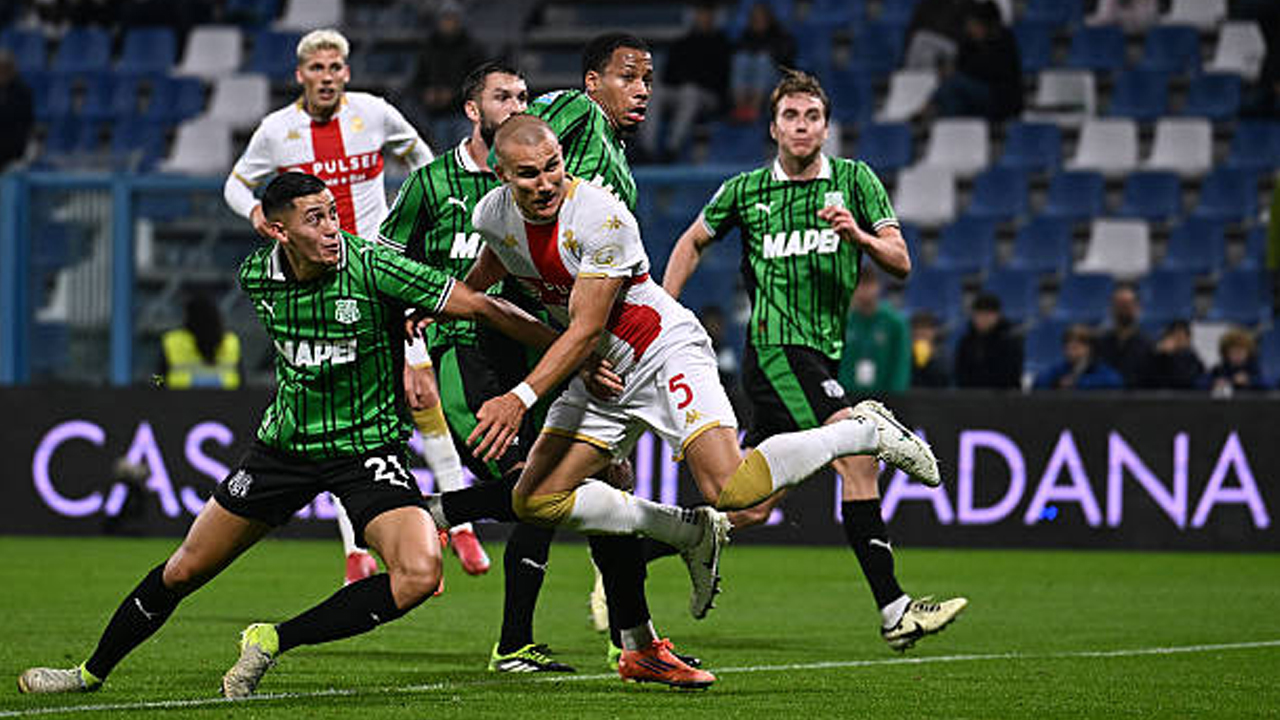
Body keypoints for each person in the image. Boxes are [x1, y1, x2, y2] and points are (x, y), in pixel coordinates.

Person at [16, 171, 566, 698]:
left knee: (420, 574)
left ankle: (273, 640)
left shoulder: (375, 267)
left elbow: (483, 306)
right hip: (283, 449)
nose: (332, 228)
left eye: (332, 214)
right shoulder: (257, 276)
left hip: (364, 449)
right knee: (184, 568)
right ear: (279, 231)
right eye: (315, 219)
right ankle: (88, 673)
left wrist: (569, 356)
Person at [662, 70, 965, 652]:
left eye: (812, 117)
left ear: (826, 126)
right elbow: (691, 241)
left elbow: (900, 260)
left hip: (822, 356)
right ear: (773, 126)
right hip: (777, 350)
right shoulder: (746, 191)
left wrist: (860, 238)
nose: (802, 127)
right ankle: (895, 610)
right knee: (857, 458)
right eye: (791, 117)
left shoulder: (854, 182)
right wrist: (665, 312)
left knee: (748, 506)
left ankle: (633, 553)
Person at [221, 29, 487, 585]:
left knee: (423, 394)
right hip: (320, 287)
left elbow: (422, 161)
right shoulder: (277, 130)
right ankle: (361, 547)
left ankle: (456, 521)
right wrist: (258, 218)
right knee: (344, 409)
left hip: (379, 275)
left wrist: (419, 216)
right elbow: (235, 185)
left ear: (346, 71)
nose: (327, 75)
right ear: (301, 75)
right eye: (316, 66)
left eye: (335, 66)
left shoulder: (375, 113)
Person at [378, 60, 574, 674]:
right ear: (473, 110)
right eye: (502, 96)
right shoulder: (431, 185)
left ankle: (513, 637)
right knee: (530, 484)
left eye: (522, 94)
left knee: (547, 491)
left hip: (529, 351)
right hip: (462, 355)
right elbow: (385, 270)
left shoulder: (537, 185)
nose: (516, 103)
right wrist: (411, 354)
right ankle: (440, 519)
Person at [637, 2, 732, 162]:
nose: (704, 18)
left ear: (714, 18)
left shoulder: (722, 44)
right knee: (655, 92)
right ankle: (648, 149)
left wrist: (693, 81)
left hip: (708, 96)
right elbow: (668, 75)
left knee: (690, 92)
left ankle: (672, 148)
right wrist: (683, 80)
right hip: (679, 91)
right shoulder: (682, 43)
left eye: (707, 15)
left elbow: (721, 80)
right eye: (701, 14)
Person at [408, 3, 487, 146]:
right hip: (437, 115)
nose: (448, 24)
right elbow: (418, 81)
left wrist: (453, 95)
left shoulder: (473, 48)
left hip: (464, 115)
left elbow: (480, 83)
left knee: (466, 157)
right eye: (445, 19)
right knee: (443, 158)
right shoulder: (429, 48)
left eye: (452, 19)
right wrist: (426, 94)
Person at [931, 0, 1022, 121]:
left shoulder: (1004, 39)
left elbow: (993, 72)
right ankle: (952, 131)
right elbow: (962, 65)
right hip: (973, 96)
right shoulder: (968, 42)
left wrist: (961, 72)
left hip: (1000, 97)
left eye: (973, 24)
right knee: (952, 98)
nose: (969, 28)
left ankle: (928, 106)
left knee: (954, 83)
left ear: (984, 24)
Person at [838, 267, 912, 395]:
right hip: (848, 398)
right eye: (858, 285)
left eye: (868, 284)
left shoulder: (895, 323)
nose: (863, 291)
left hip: (887, 400)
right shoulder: (843, 322)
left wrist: (895, 398)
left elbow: (900, 366)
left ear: (878, 286)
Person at [158, 293, 243, 389]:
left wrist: (160, 391)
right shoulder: (231, 341)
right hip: (226, 400)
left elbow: (158, 375)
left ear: (188, 316)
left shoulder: (172, 340)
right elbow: (241, 380)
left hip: (180, 401)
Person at [729, 2, 796, 123]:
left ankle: (754, 109)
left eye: (761, 17)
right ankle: (740, 107)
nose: (758, 20)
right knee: (741, 59)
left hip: (775, 81)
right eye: (755, 17)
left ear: (769, 18)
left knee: (762, 59)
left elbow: (786, 61)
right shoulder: (746, 36)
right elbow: (737, 55)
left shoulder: (780, 35)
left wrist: (766, 52)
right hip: (749, 81)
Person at [954, 292, 1023, 389]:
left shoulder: (1009, 340)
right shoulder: (966, 341)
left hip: (1003, 398)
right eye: (979, 314)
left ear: (997, 315)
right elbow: (960, 373)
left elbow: (1012, 375)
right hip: (971, 397)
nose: (983, 319)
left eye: (988, 314)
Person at [1033, 324, 1124, 390]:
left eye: (1076, 348)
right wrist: (1056, 383)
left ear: (1089, 348)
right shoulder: (1061, 368)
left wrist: (1078, 383)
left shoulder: (1099, 368)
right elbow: (1040, 381)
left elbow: (1115, 382)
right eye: (1067, 348)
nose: (1070, 352)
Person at [1096, 283, 1153, 389]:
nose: (1123, 309)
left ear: (1137, 308)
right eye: (1119, 305)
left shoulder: (1149, 345)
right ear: (1111, 308)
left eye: (1127, 305)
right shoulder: (1100, 343)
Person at [1142, 320, 1204, 390]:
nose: (1176, 342)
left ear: (1188, 340)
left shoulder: (1192, 359)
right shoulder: (1157, 356)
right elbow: (1146, 379)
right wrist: (1158, 354)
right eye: (1174, 337)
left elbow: (1183, 380)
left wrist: (1171, 356)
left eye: (1180, 338)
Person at [1205, 327, 1267, 394]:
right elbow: (1200, 382)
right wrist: (1214, 382)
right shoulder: (1220, 369)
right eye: (1233, 352)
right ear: (1226, 354)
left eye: (1240, 352)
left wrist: (1249, 381)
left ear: (1248, 353)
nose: (1237, 356)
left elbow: (1267, 384)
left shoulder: (1253, 368)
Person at [0, 49, 33, 170]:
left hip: (13, 154)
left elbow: (26, 123)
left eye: (5, 68)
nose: (2, 73)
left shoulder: (23, 92)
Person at [909, 311, 951, 388]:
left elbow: (944, 380)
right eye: (918, 328)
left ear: (934, 331)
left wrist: (931, 358)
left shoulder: (943, 353)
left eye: (926, 328)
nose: (921, 333)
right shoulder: (904, 354)